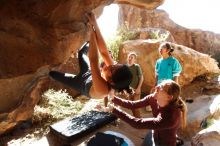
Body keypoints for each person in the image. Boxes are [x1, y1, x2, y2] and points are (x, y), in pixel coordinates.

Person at [49, 12, 133, 99]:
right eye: (116, 65)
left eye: (112, 69)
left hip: (79, 83)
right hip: (88, 73)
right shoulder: (113, 70)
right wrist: (95, 24)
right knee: (81, 53)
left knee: (53, 74)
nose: (111, 65)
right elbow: (104, 52)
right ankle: (89, 43)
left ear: (111, 81)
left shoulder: (103, 90)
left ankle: (48, 73)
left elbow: (93, 60)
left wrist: (92, 32)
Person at [106, 80, 187, 146]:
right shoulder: (153, 98)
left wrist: (114, 110)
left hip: (166, 143)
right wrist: (114, 98)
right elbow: (133, 105)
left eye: (161, 87)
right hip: (154, 134)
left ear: (169, 97)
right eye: (159, 84)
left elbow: (137, 123)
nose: (156, 87)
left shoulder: (170, 117)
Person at [127, 52, 144, 117]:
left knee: (136, 106)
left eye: (132, 57)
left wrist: (138, 88)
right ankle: (135, 119)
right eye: (129, 57)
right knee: (131, 106)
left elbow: (141, 78)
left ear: (134, 60)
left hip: (136, 89)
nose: (130, 58)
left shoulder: (137, 66)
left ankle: (139, 120)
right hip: (129, 90)